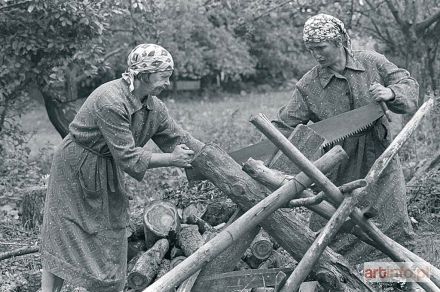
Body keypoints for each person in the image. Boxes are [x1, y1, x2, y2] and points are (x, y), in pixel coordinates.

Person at [40, 44, 197, 292]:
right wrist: (170, 160)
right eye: (163, 76)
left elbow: (178, 137)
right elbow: (127, 156)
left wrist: (209, 156)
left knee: (112, 232)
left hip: (105, 169)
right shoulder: (111, 101)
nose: (167, 82)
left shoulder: (153, 106)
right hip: (75, 168)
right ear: (144, 75)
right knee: (64, 233)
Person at [273, 14, 418, 264]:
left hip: (379, 155)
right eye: (311, 49)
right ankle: (340, 276)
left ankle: (398, 279)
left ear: (338, 40)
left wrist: (391, 92)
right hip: (338, 162)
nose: (316, 55)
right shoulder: (309, 84)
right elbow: (285, 125)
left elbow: (407, 84)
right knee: (333, 227)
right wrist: (268, 152)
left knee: (393, 220)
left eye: (320, 47)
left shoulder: (372, 62)